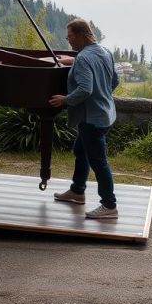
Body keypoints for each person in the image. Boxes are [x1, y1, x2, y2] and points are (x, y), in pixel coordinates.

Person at [49, 18, 121, 220]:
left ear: (81, 35)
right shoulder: (104, 52)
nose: (68, 41)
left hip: (91, 118)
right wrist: (102, 94)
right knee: (81, 150)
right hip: (105, 113)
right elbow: (114, 80)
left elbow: (85, 90)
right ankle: (77, 191)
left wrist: (65, 100)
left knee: (99, 162)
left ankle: (109, 205)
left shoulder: (83, 58)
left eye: (70, 36)